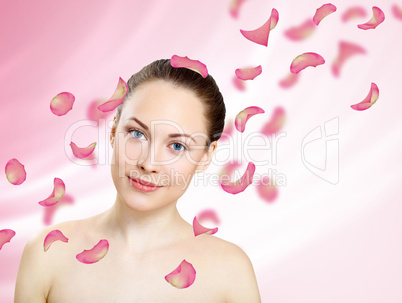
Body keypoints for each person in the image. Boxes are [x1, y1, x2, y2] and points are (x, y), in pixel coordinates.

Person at [14, 58, 262, 302]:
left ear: (205, 156)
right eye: (137, 133)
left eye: (177, 145)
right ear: (113, 133)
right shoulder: (48, 255)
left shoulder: (231, 273)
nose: (149, 163)